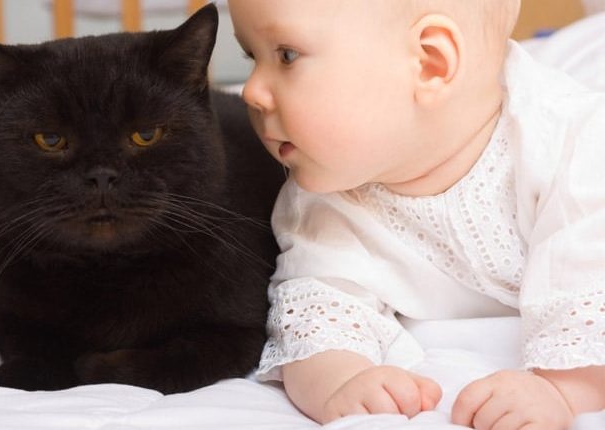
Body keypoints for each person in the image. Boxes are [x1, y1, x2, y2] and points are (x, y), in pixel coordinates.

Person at [227, 0, 605, 428]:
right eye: (251, 56)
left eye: (287, 56)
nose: (251, 91)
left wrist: (561, 389)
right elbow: (317, 310)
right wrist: (341, 380)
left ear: (429, 62)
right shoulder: (327, 193)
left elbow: (592, 286)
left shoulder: (573, 146)